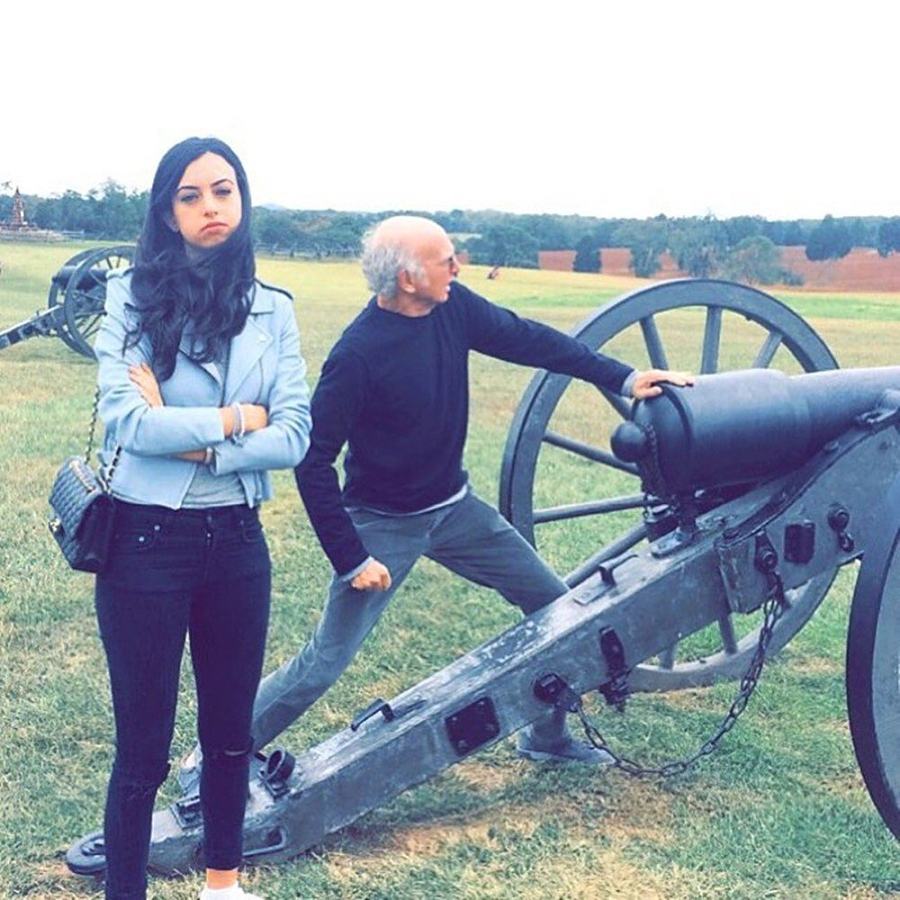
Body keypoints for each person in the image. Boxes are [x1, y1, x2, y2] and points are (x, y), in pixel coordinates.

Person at [180, 214, 690, 788]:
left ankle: (547, 736)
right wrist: (351, 558)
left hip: (456, 511)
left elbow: (528, 338)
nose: (458, 266)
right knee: (325, 660)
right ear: (406, 278)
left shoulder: (453, 307)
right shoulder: (357, 356)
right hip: (382, 525)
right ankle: (215, 753)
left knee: (555, 610)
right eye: (445, 260)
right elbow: (312, 458)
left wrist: (622, 377)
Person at [92, 136, 311, 900]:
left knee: (229, 739)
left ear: (242, 200)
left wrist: (203, 438)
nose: (210, 207)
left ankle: (224, 885)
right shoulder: (130, 298)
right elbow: (129, 424)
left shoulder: (273, 310)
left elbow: (293, 435)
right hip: (145, 545)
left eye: (223, 190)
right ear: (167, 211)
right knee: (143, 751)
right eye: (190, 196)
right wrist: (238, 420)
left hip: (238, 545)